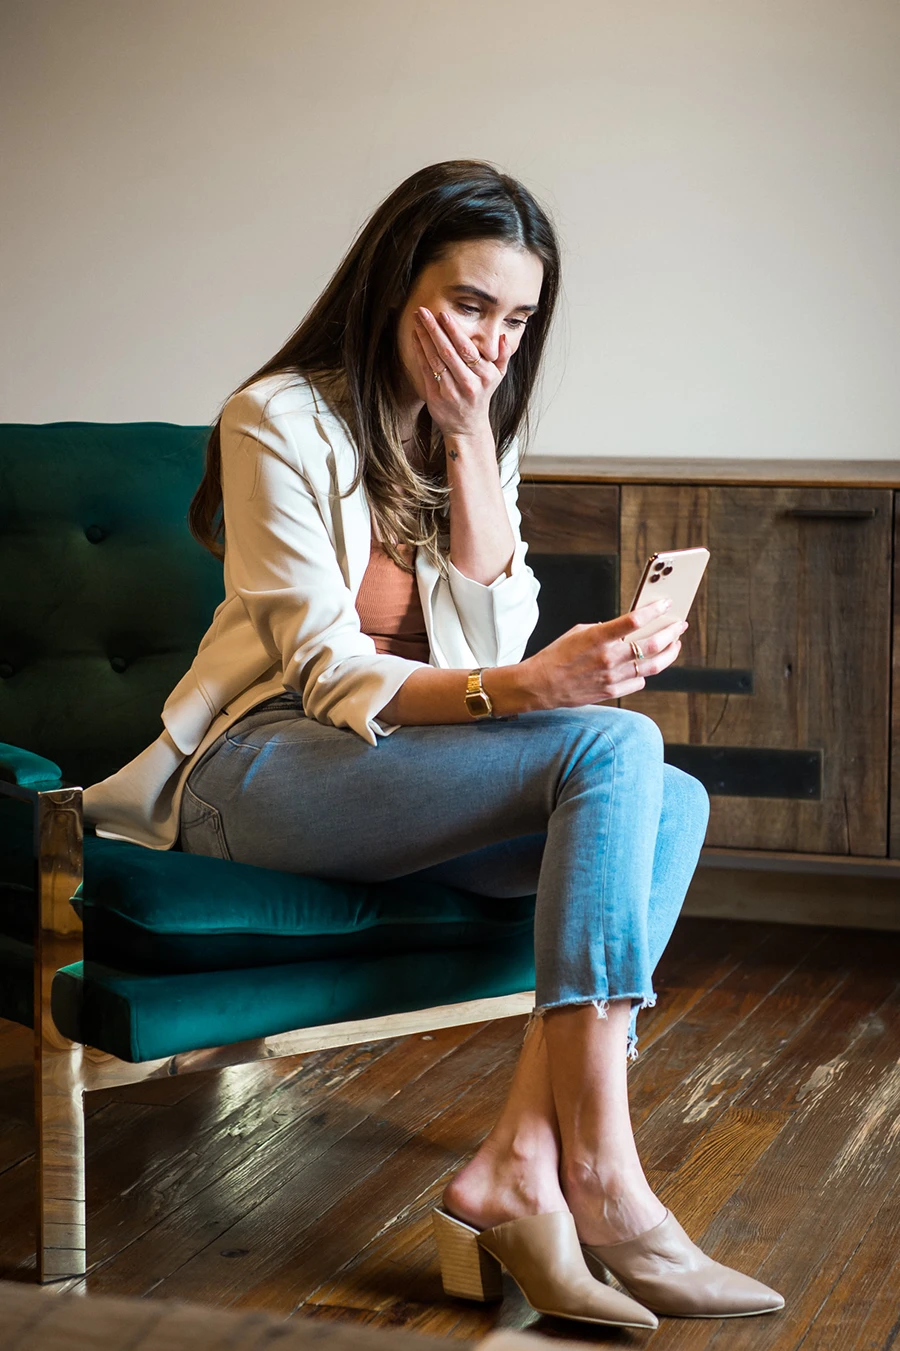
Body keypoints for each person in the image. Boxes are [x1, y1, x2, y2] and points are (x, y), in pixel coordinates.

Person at [83, 160, 783, 1328]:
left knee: (674, 791)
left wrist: (468, 447)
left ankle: (517, 1163)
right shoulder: (276, 419)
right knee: (616, 749)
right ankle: (606, 1182)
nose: (495, 343)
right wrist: (534, 684)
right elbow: (327, 670)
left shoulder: (478, 428)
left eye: (517, 320)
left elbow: (494, 640)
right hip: (259, 769)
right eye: (469, 305)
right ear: (391, 284)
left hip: (394, 785)